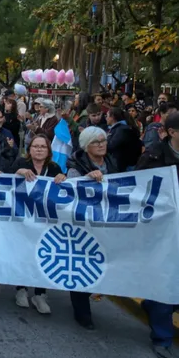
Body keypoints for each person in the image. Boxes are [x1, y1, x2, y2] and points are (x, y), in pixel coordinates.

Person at [135, 112, 179, 358]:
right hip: (162, 230)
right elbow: (139, 188)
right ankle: (162, 338)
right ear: (172, 132)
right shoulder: (153, 156)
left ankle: (153, 305)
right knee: (167, 278)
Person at [65, 127, 119, 330]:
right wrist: (87, 179)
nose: (102, 144)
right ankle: (82, 312)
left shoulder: (112, 162)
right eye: (96, 142)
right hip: (85, 225)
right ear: (87, 146)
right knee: (83, 265)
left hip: (108, 222)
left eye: (104, 140)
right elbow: (70, 193)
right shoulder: (76, 167)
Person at [9, 134, 68, 313]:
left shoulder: (54, 167)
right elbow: (6, 179)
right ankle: (21, 289)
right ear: (30, 149)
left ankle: (40, 294)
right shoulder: (21, 163)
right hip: (23, 218)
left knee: (44, 255)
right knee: (24, 253)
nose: (39, 149)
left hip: (45, 220)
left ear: (48, 150)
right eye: (36, 146)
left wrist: (61, 177)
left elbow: (63, 186)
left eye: (43, 146)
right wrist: (19, 173)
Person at [106, 107, 142, 172]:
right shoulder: (115, 129)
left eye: (107, 116)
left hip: (125, 167)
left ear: (113, 117)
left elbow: (111, 145)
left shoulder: (122, 130)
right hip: (119, 165)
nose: (106, 118)